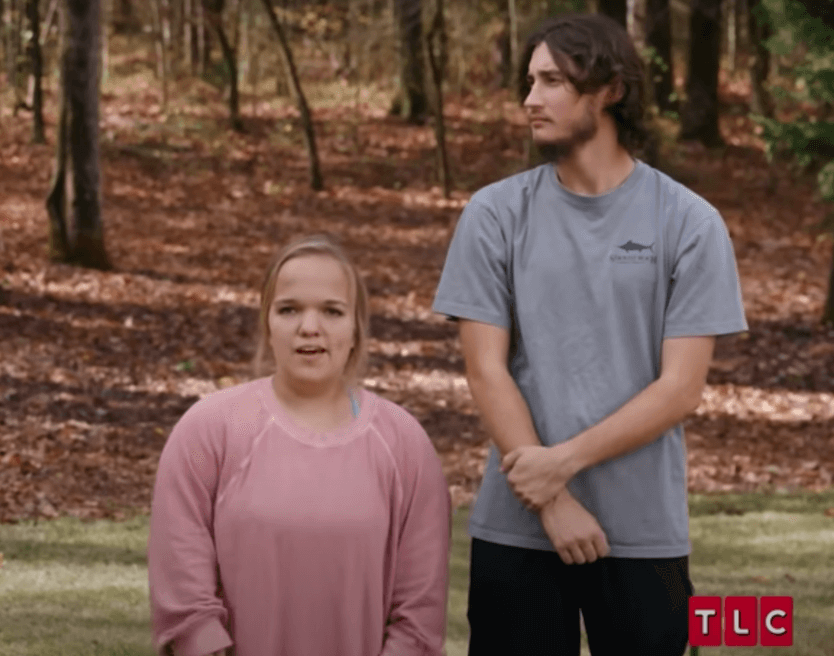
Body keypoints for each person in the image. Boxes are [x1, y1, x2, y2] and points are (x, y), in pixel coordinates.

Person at [432, 13, 746, 656]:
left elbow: (682, 389)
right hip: (516, 529)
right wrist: (551, 502)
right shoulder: (494, 213)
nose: (529, 99)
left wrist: (562, 465)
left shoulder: (688, 222)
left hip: (643, 532)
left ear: (610, 89)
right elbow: (486, 372)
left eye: (551, 80)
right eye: (528, 81)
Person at [149, 234, 452, 656]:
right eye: (290, 309)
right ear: (267, 323)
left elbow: (419, 610)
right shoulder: (209, 429)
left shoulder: (404, 444)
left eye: (332, 310)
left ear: (356, 327)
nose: (310, 327)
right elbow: (183, 587)